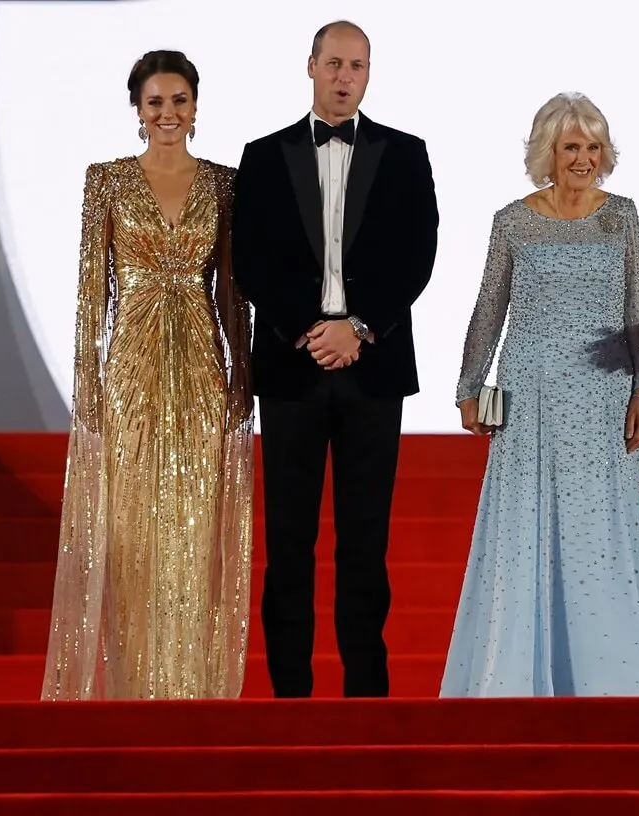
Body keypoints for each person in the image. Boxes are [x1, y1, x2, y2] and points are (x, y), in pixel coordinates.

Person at [440, 92, 639, 698]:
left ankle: (611, 681)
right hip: (529, 401)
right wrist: (470, 387)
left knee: (600, 537)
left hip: (602, 403)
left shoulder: (620, 215)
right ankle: (516, 678)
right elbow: (488, 309)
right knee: (524, 531)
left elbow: (638, 310)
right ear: (546, 151)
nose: (583, 158)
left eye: (593, 147)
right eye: (571, 146)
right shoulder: (512, 221)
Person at [230, 21, 438, 698]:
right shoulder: (262, 157)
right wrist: (310, 330)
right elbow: (250, 259)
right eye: (336, 63)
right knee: (288, 540)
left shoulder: (405, 153)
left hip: (373, 370)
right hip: (292, 370)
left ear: (368, 74)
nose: (346, 76)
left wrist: (360, 326)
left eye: (359, 66)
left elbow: (418, 252)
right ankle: (290, 693)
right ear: (311, 66)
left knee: (365, 540)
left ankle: (365, 693)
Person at [42, 50, 255, 700]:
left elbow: (232, 291)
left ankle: (193, 690)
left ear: (196, 107)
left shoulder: (225, 183)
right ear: (137, 108)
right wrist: (87, 383)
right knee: (132, 532)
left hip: (199, 364)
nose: (168, 113)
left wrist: (243, 376)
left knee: (192, 528)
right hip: (130, 367)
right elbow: (90, 295)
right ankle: (136, 690)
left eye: (180, 100)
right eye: (156, 101)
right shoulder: (104, 180)